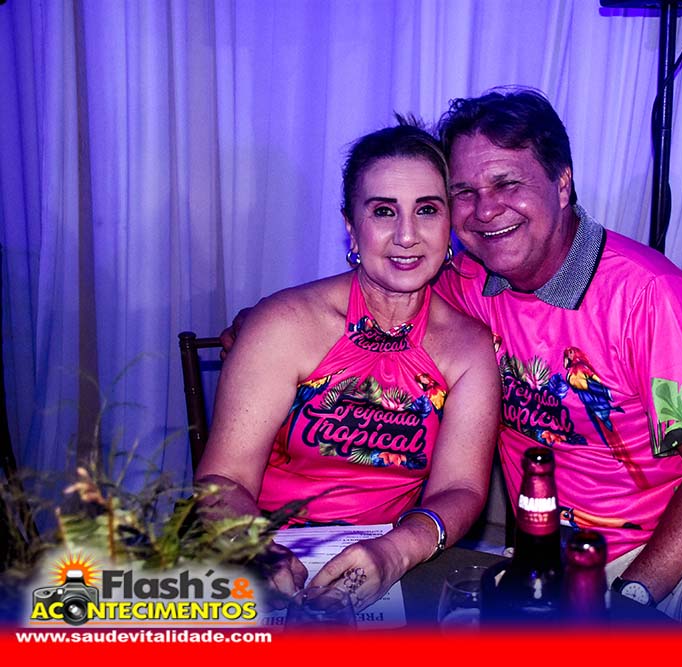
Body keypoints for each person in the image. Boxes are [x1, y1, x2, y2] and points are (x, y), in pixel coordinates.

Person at [223, 88, 682, 625]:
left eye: (507, 183)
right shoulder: (466, 283)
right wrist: (261, 324)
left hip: (672, 544)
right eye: (464, 192)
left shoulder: (650, 296)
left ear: (562, 183)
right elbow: (383, 285)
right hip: (542, 554)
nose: (486, 209)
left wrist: (629, 597)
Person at [196, 120, 501, 614]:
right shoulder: (285, 324)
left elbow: (459, 488)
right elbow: (223, 479)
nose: (407, 235)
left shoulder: (468, 347)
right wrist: (252, 547)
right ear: (351, 227)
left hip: (392, 560)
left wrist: (397, 550)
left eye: (427, 209)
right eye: (383, 211)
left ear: (449, 225)